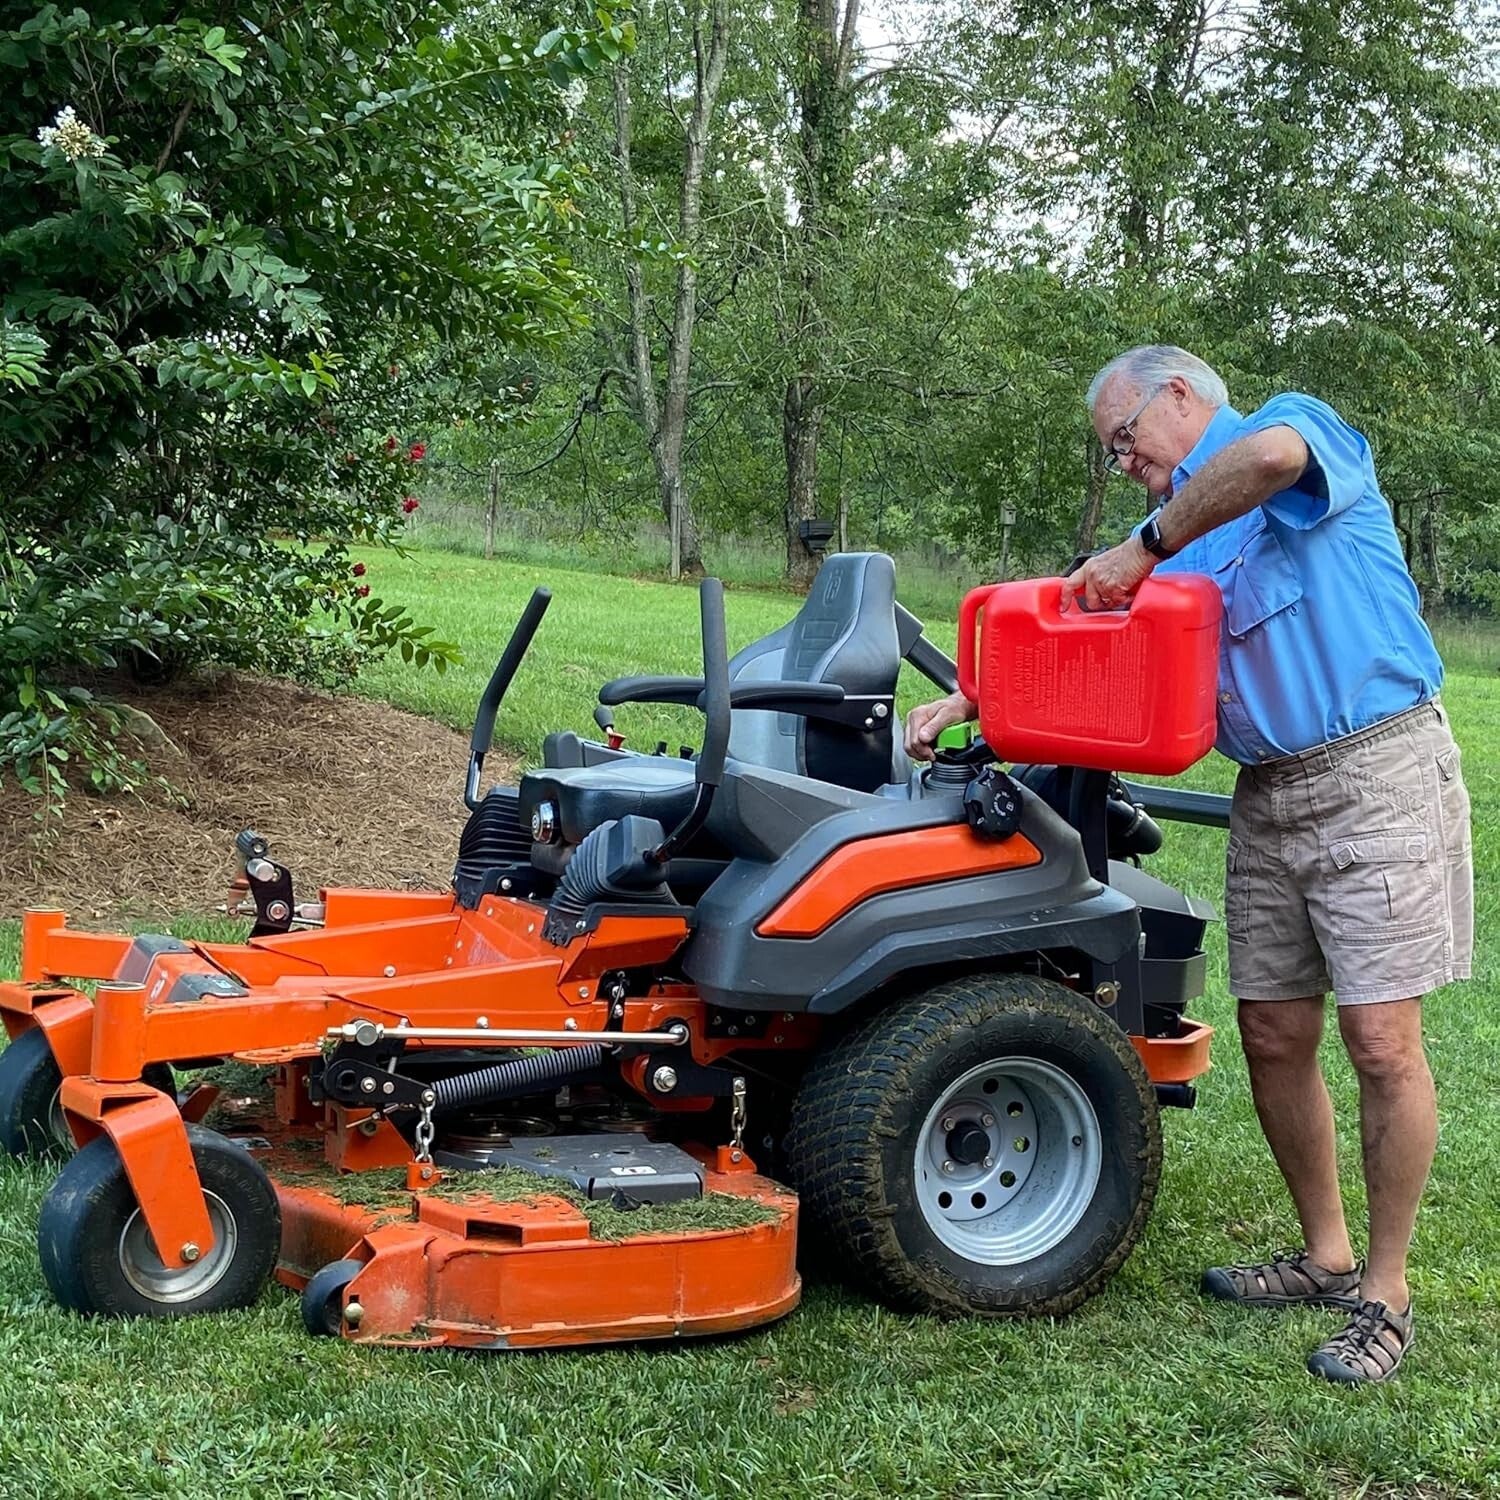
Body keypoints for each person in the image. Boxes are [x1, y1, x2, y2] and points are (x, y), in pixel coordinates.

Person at [905, 344, 1472, 1386]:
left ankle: (1385, 1294)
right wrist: (977, 701)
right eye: (1114, 455)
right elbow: (1096, 650)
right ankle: (1325, 1255)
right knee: (1273, 1028)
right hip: (1270, 790)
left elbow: (1263, 460)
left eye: (1126, 440)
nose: (1124, 464)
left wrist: (1146, 544)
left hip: (1377, 765)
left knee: (1382, 1039)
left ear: (1179, 394)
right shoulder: (1177, 541)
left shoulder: (1283, 435)